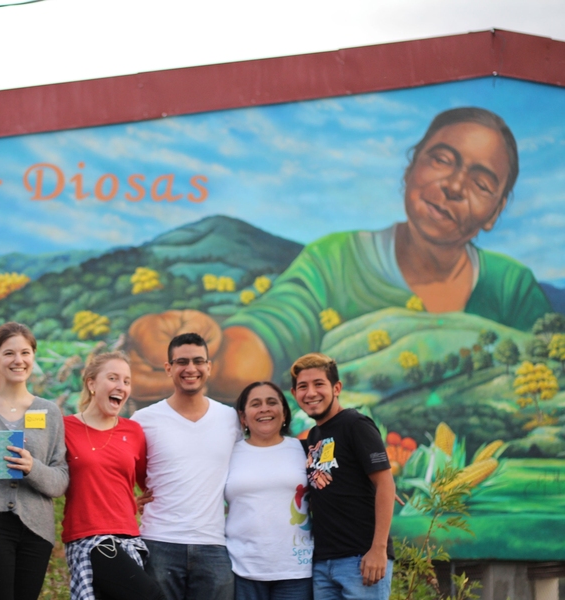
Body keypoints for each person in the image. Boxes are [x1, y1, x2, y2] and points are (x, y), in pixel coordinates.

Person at [126, 107, 552, 402]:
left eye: (481, 183)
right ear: (410, 168)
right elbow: (269, 332)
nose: (454, 186)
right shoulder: (335, 262)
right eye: (441, 160)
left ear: (495, 212)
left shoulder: (511, 287)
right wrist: (203, 355)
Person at [0, 322, 69, 600]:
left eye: (25, 353)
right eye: (9, 353)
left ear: (33, 356)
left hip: (37, 531)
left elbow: (61, 480)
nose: (18, 360)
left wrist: (33, 468)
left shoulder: (49, 411)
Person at [130, 332, 241, 600]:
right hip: (158, 542)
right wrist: (127, 501)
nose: (190, 369)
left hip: (214, 544)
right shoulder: (143, 420)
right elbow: (122, 469)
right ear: (169, 368)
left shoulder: (231, 419)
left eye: (198, 361)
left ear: (209, 367)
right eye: (181, 362)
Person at [290, 353, 395, 600]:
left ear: (336, 388)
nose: (311, 392)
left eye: (319, 384)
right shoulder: (314, 435)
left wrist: (378, 550)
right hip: (323, 561)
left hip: (361, 558)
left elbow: (385, 484)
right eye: (303, 387)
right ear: (294, 394)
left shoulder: (355, 424)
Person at [62, 351, 164, 600]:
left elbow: (144, 483)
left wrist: (132, 501)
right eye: (113, 378)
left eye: (127, 381)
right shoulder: (65, 427)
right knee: (150, 595)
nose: (121, 386)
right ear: (91, 383)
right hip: (89, 540)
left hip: (129, 538)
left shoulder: (134, 431)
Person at [225, 381, 313, 600]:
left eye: (272, 402)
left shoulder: (304, 449)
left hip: (296, 570)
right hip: (241, 570)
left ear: (284, 413)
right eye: (256, 404)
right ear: (243, 417)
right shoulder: (227, 454)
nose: (264, 408)